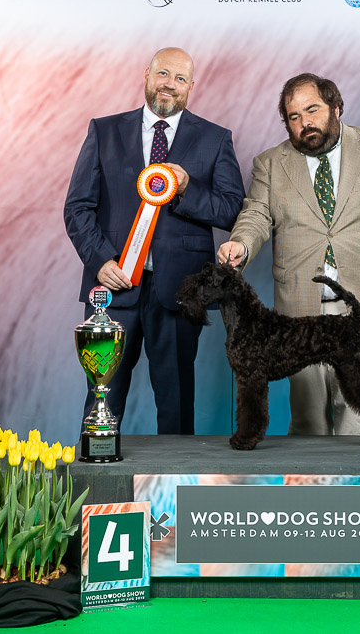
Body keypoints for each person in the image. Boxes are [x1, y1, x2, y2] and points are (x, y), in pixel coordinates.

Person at [218, 73, 360, 436]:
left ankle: (359, 471)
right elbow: (256, 214)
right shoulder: (270, 163)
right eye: (294, 116)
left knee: (357, 420)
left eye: (312, 110)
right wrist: (241, 243)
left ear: (336, 107)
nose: (305, 122)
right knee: (308, 422)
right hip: (299, 309)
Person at [64, 47, 245, 434]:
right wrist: (100, 260)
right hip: (113, 288)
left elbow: (232, 210)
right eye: (163, 74)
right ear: (146, 74)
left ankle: (175, 475)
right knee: (102, 397)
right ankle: (96, 468)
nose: (170, 84)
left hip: (181, 291)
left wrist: (186, 188)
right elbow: (78, 207)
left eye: (180, 78)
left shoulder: (215, 139)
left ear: (191, 86)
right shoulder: (104, 131)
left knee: (176, 404)